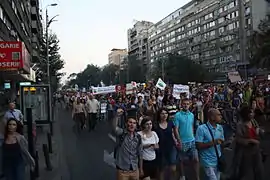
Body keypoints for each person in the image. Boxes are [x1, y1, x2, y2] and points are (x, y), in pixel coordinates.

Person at [113, 108, 143, 180]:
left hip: (134, 170)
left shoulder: (138, 137)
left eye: (134, 123)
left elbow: (140, 154)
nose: (132, 125)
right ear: (126, 124)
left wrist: (141, 169)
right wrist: (117, 116)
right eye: (130, 122)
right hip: (122, 171)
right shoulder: (122, 134)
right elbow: (114, 128)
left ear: (136, 125)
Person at [174, 98, 200, 180]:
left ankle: (197, 177)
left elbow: (192, 126)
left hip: (192, 140)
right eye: (184, 104)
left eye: (187, 104)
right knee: (181, 160)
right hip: (183, 141)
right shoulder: (177, 115)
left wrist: (193, 136)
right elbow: (176, 129)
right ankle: (182, 176)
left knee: (196, 160)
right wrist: (179, 141)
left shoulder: (192, 115)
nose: (186, 105)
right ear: (181, 104)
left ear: (190, 105)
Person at [195, 108, 225, 180]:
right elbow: (198, 145)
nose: (221, 116)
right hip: (207, 161)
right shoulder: (201, 129)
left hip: (217, 160)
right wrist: (213, 143)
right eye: (219, 115)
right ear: (212, 117)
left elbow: (221, 143)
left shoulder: (220, 128)